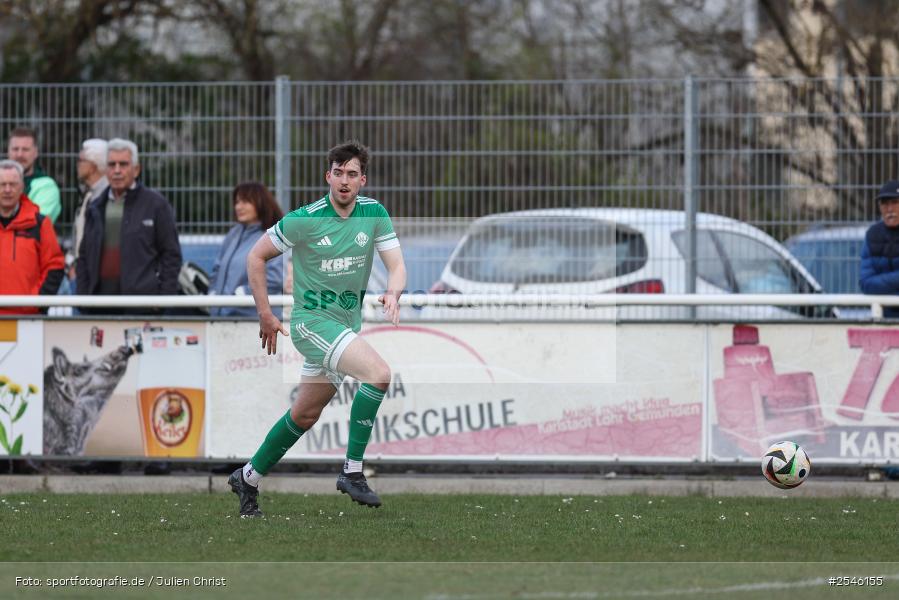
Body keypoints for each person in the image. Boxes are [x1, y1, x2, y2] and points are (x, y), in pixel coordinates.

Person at [228, 140, 406, 517]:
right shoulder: (305, 218)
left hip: (343, 325)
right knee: (379, 375)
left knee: (304, 415)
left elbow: (397, 265)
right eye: (338, 173)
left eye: (352, 174)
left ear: (363, 181)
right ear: (328, 176)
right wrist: (265, 313)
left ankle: (248, 477)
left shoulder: (373, 213)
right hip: (312, 324)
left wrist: (393, 292)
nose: (344, 180)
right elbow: (255, 256)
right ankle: (353, 471)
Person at [76, 138, 182, 313]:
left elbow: (171, 255)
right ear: (106, 169)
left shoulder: (156, 205)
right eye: (112, 164)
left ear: (136, 169)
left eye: (123, 164)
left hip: (141, 307)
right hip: (99, 306)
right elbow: (85, 255)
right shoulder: (95, 207)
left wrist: (163, 299)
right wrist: (83, 297)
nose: (117, 170)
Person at [208, 182, 284, 318]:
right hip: (222, 317)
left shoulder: (274, 235)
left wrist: (242, 293)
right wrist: (213, 292)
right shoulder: (234, 233)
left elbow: (275, 279)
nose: (238, 207)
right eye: (237, 202)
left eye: (245, 202)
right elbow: (217, 268)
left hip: (254, 321)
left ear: (261, 203)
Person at [0, 160, 64, 314]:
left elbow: (54, 266)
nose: (7, 190)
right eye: (2, 184)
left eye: (13, 184)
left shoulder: (40, 223)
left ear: (22, 187)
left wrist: (37, 302)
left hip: (29, 319)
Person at [68, 139, 109, 283]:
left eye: (81, 160)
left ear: (93, 166)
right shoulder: (89, 194)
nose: (77, 165)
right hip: (82, 275)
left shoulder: (107, 197)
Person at [860, 179, 899, 318]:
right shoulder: (872, 235)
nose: (889, 209)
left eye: (895, 202)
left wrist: (884, 284)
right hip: (882, 316)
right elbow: (866, 284)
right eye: (884, 203)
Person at [7, 127, 61, 222]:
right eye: (15, 149)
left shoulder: (46, 185)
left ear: (35, 153)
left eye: (25, 150)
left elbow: (36, 222)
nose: (19, 154)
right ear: (8, 152)